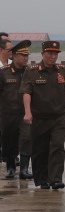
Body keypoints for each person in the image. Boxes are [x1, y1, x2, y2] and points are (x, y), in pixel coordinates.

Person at [20, 41, 65, 189]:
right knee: (40, 149)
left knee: (58, 146)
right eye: (50, 53)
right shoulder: (32, 71)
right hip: (39, 118)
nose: (53, 56)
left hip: (58, 117)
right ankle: (42, 179)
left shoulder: (61, 70)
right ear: (42, 54)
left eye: (56, 53)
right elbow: (27, 92)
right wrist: (27, 112)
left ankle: (56, 179)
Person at [0, 40, 33, 179]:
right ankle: (11, 168)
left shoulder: (31, 72)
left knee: (27, 139)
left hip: (26, 113)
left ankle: (24, 169)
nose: (26, 58)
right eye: (22, 55)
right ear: (13, 55)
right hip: (8, 113)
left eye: (27, 55)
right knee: (9, 141)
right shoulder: (4, 73)